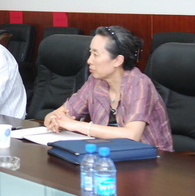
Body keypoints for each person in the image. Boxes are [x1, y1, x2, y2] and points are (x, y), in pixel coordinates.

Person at [44, 26, 173, 151]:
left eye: (95, 54)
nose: (89, 60)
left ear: (117, 60)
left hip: (151, 158)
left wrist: (77, 125)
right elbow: (58, 114)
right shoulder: (95, 81)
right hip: (107, 153)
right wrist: (54, 119)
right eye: (90, 53)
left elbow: (132, 135)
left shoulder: (139, 84)